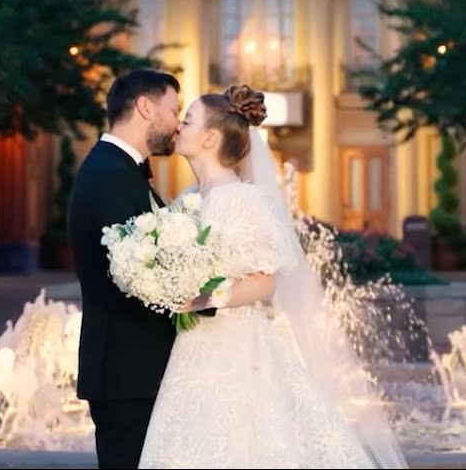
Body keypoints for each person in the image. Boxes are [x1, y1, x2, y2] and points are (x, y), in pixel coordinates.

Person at [139, 85, 408, 469]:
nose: (178, 127)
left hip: (237, 346)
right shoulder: (187, 198)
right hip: (192, 346)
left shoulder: (242, 200)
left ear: (210, 138)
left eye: (188, 121)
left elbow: (265, 281)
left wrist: (206, 298)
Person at [68, 69, 185, 469]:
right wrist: (208, 297)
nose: (177, 124)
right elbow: (136, 276)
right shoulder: (108, 176)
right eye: (174, 111)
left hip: (136, 368)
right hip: (126, 371)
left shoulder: (121, 171)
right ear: (145, 107)